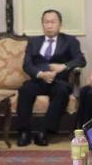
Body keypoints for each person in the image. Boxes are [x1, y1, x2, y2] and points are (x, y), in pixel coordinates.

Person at [16, 10, 86, 146]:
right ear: (42, 24)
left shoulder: (70, 41)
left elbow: (81, 60)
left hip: (59, 81)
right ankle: (24, 132)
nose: (49, 26)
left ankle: (44, 132)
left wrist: (63, 66)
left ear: (60, 24)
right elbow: (27, 65)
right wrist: (41, 74)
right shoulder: (34, 42)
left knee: (61, 92)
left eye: (53, 22)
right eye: (46, 22)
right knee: (25, 90)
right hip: (38, 80)